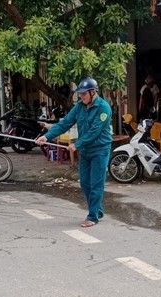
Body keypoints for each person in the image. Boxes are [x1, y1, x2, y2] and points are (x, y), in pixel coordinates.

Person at [35, 77, 112, 228]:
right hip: (85, 151)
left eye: (84, 94)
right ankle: (98, 210)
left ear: (93, 92)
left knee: (96, 184)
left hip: (99, 150)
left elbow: (94, 132)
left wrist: (77, 144)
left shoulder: (104, 108)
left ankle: (93, 217)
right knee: (84, 183)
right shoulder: (79, 107)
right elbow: (65, 123)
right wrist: (46, 136)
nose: (81, 96)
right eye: (80, 94)